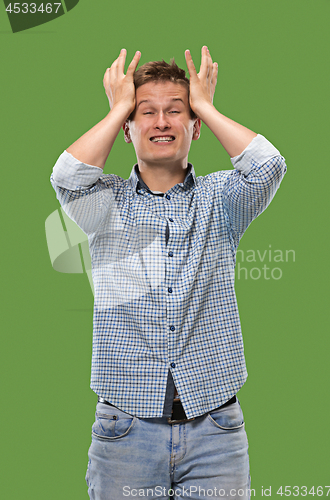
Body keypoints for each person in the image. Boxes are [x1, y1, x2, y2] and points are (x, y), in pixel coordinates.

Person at [51, 46, 286, 499]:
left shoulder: (222, 200)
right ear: (128, 130)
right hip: (124, 432)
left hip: (215, 431)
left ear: (193, 128)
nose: (161, 122)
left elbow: (268, 167)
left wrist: (206, 106)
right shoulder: (104, 204)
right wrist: (120, 105)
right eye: (147, 112)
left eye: (175, 111)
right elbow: (67, 176)